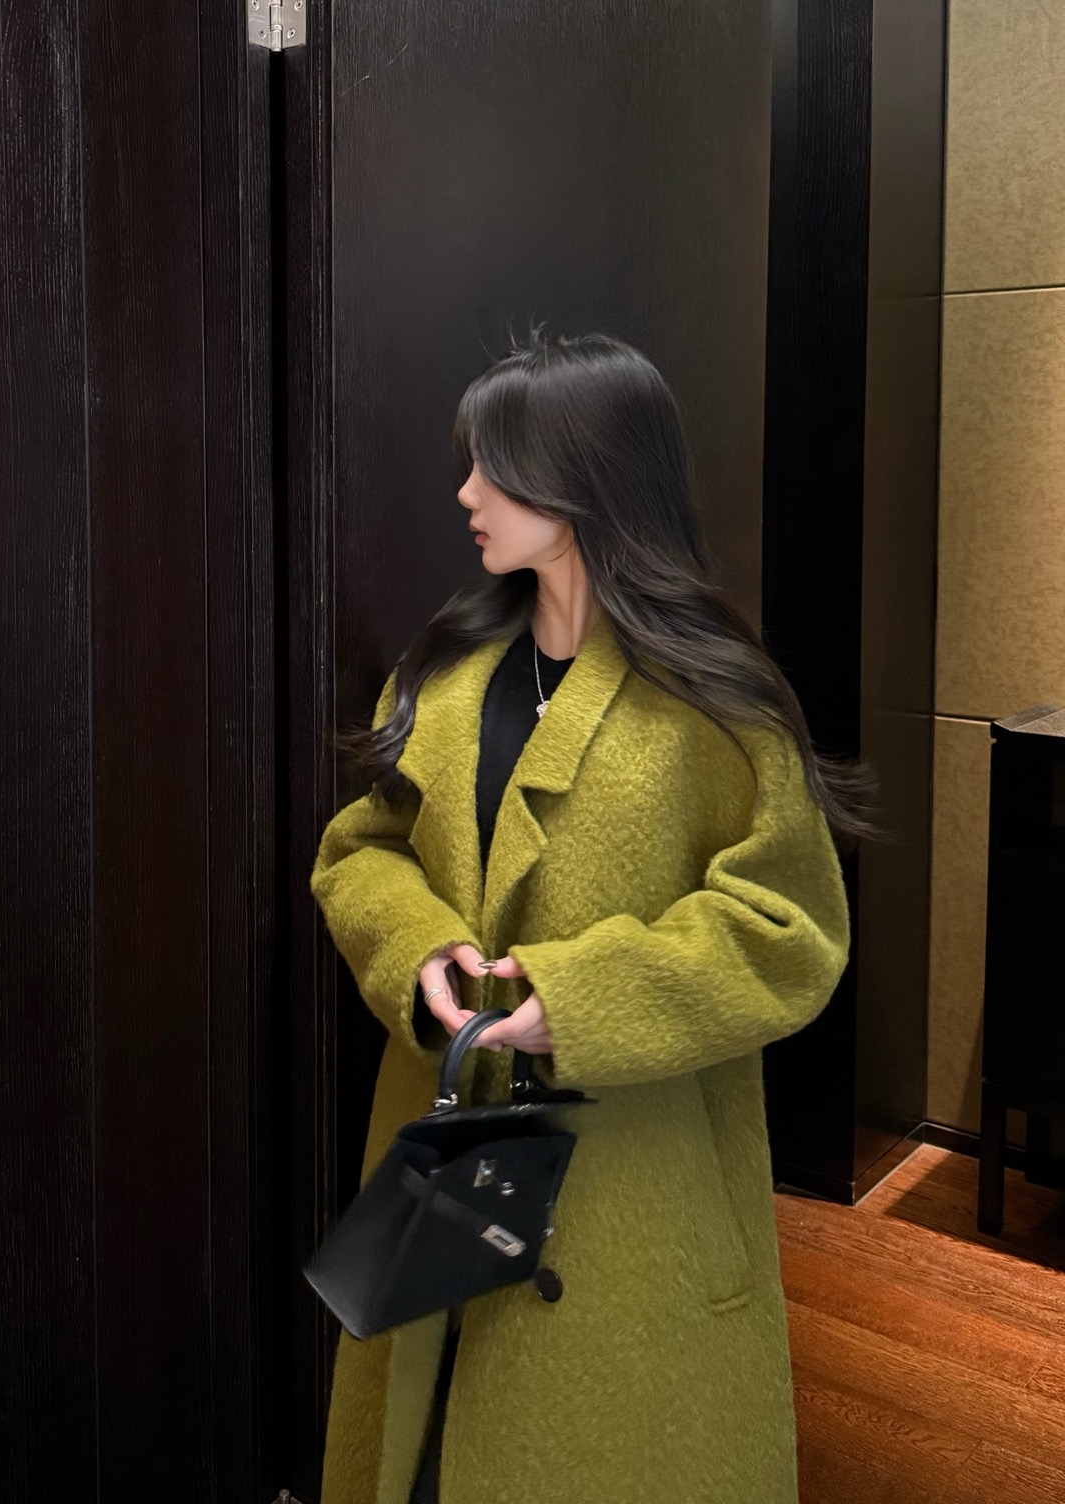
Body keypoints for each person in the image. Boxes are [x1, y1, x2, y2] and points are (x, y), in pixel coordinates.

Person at [310, 327, 861, 1504]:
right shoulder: (442, 673)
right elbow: (362, 847)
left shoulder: (717, 706)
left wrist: (583, 999)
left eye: (496, 467)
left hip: (631, 1196)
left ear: (585, 483)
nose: (467, 493)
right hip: (441, 1166)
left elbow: (790, 930)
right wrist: (416, 948)